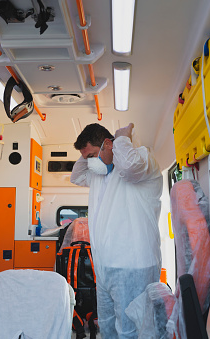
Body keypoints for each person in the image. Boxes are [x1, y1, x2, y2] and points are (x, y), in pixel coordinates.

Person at [70, 123, 163, 338]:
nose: (91, 162)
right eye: (88, 158)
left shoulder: (141, 159)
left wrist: (122, 139)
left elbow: (130, 168)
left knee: (131, 329)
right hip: (104, 267)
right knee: (107, 325)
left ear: (109, 144)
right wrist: (89, 154)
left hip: (133, 266)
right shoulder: (99, 175)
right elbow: (76, 176)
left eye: (93, 154)